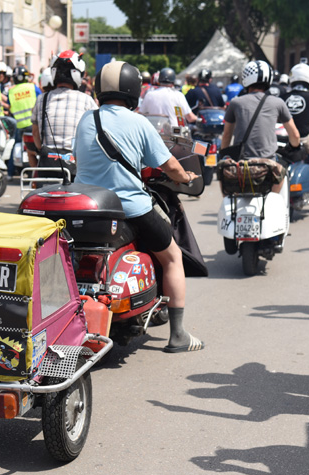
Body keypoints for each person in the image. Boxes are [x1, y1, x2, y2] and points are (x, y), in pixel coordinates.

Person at [73, 60, 204, 353]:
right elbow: (169, 164)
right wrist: (186, 177)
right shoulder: (139, 122)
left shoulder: (86, 119)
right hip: (129, 209)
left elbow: (80, 160)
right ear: (134, 90)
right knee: (172, 256)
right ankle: (179, 335)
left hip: (87, 210)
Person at [220, 60, 301, 165]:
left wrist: (224, 158)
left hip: (242, 164)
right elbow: (295, 135)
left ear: (245, 78)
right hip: (268, 164)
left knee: (225, 176)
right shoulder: (278, 103)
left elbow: (227, 135)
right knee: (284, 177)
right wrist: (294, 147)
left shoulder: (235, 103)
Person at [30, 50, 96, 168]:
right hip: (75, 165)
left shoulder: (41, 99)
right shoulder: (86, 100)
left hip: (48, 165)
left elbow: (35, 133)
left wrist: (43, 151)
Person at [8, 65, 41, 175]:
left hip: (20, 125)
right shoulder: (32, 87)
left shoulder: (11, 92)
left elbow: (10, 107)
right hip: (34, 124)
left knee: (15, 144)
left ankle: (10, 173)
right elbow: (42, 100)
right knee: (40, 147)